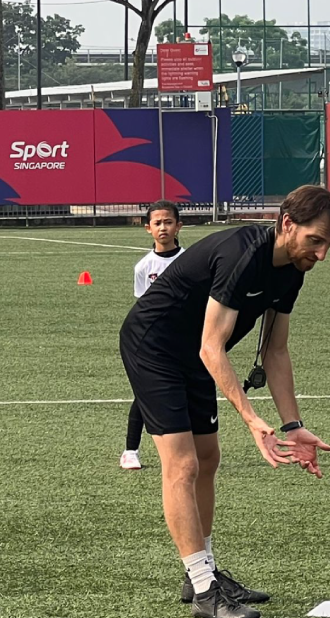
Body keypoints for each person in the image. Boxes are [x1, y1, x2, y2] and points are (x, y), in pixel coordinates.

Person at [118, 185, 330, 618]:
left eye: (328, 245)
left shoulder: (293, 270)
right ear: (287, 224)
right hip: (154, 347)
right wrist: (251, 418)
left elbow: (275, 351)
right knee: (182, 465)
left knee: (208, 458)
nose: (321, 255)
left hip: (194, 353)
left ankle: (200, 573)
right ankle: (205, 592)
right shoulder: (242, 254)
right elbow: (212, 346)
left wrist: (293, 425)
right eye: (315, 240)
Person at [120, 200, 185, 471]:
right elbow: (143, 308)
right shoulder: (144, 267)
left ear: (179, 226)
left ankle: (187, 446)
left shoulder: (190, 261)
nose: (163, 228)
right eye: (157, 223)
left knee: (187, 392)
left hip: (185, 339)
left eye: (168, 222)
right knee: (146, 393)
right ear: (148, 228)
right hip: (154, 343)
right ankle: (130, 451)